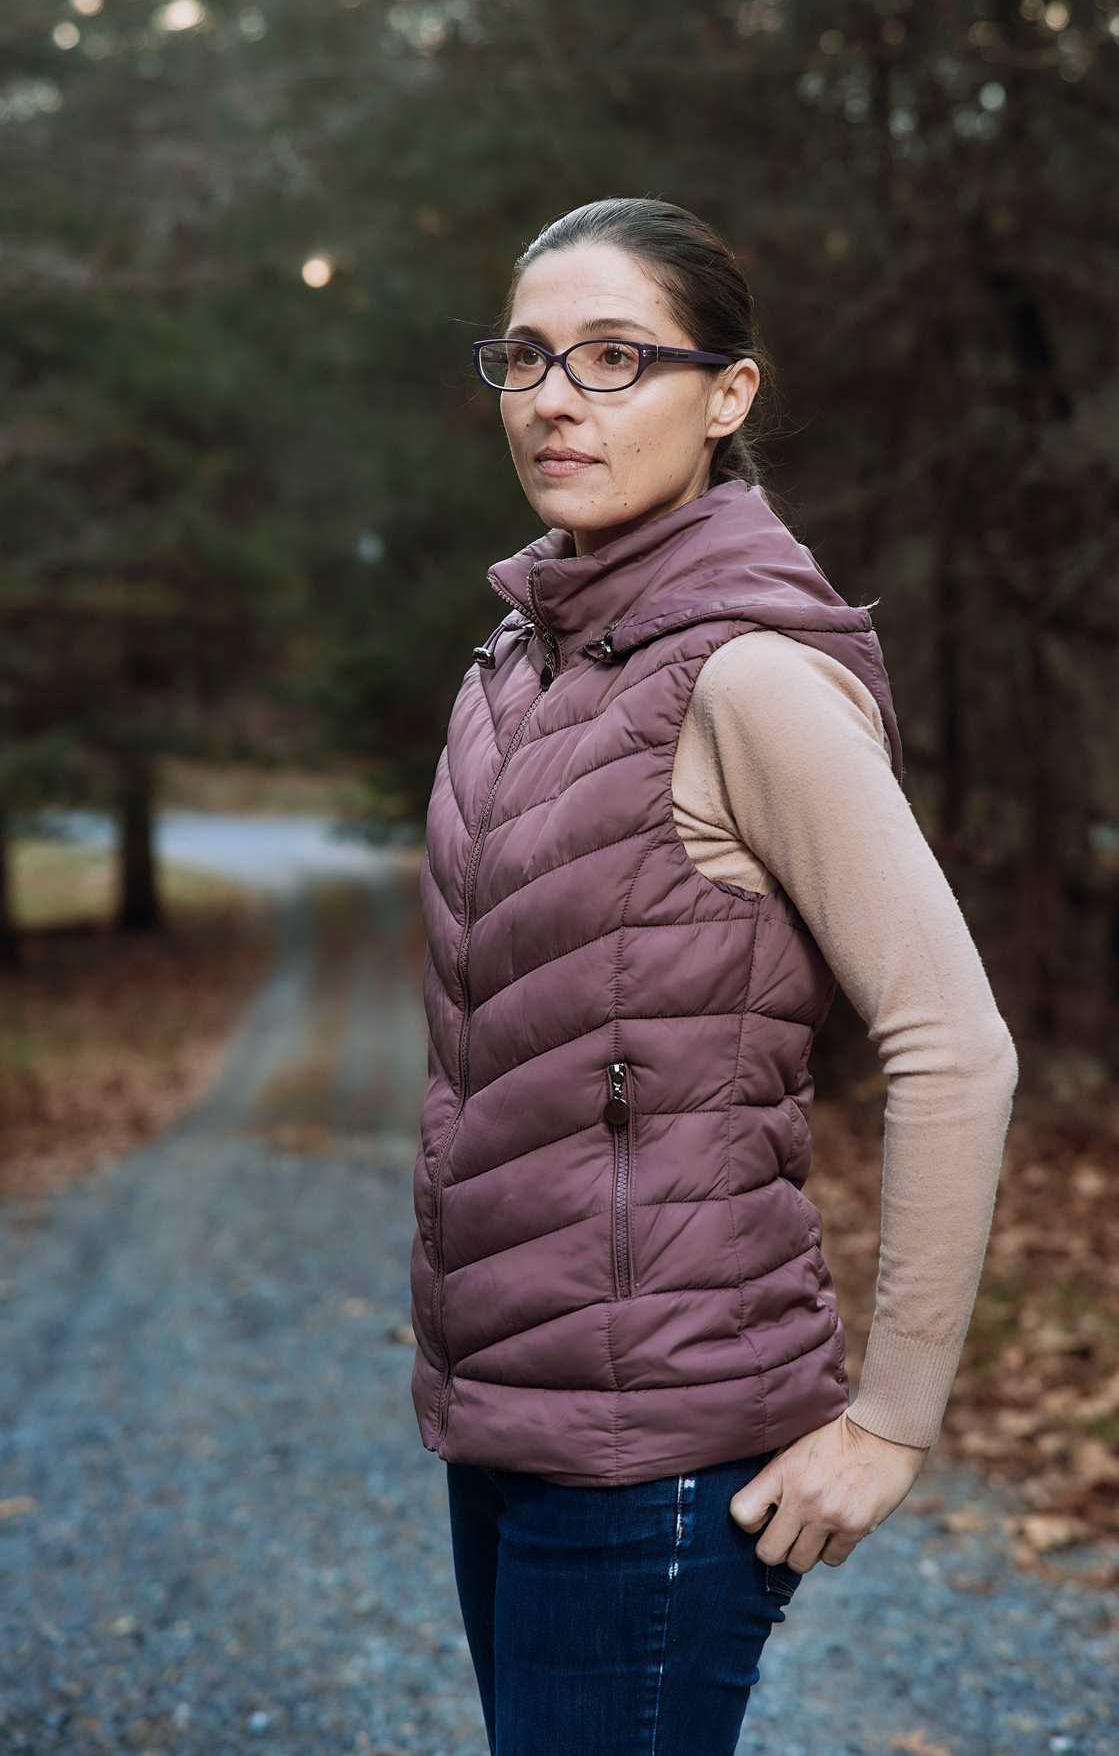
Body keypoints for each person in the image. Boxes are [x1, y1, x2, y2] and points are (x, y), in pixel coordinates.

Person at [409, 196, 1019, 1754]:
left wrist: (888, 1424)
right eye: (529, 358)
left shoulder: (747, 677)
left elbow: (955, 1043)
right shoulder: (519, 663)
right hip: (515, 1419)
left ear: (726, 394)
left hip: (662, 1453)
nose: (556, 398)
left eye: (617, 358)